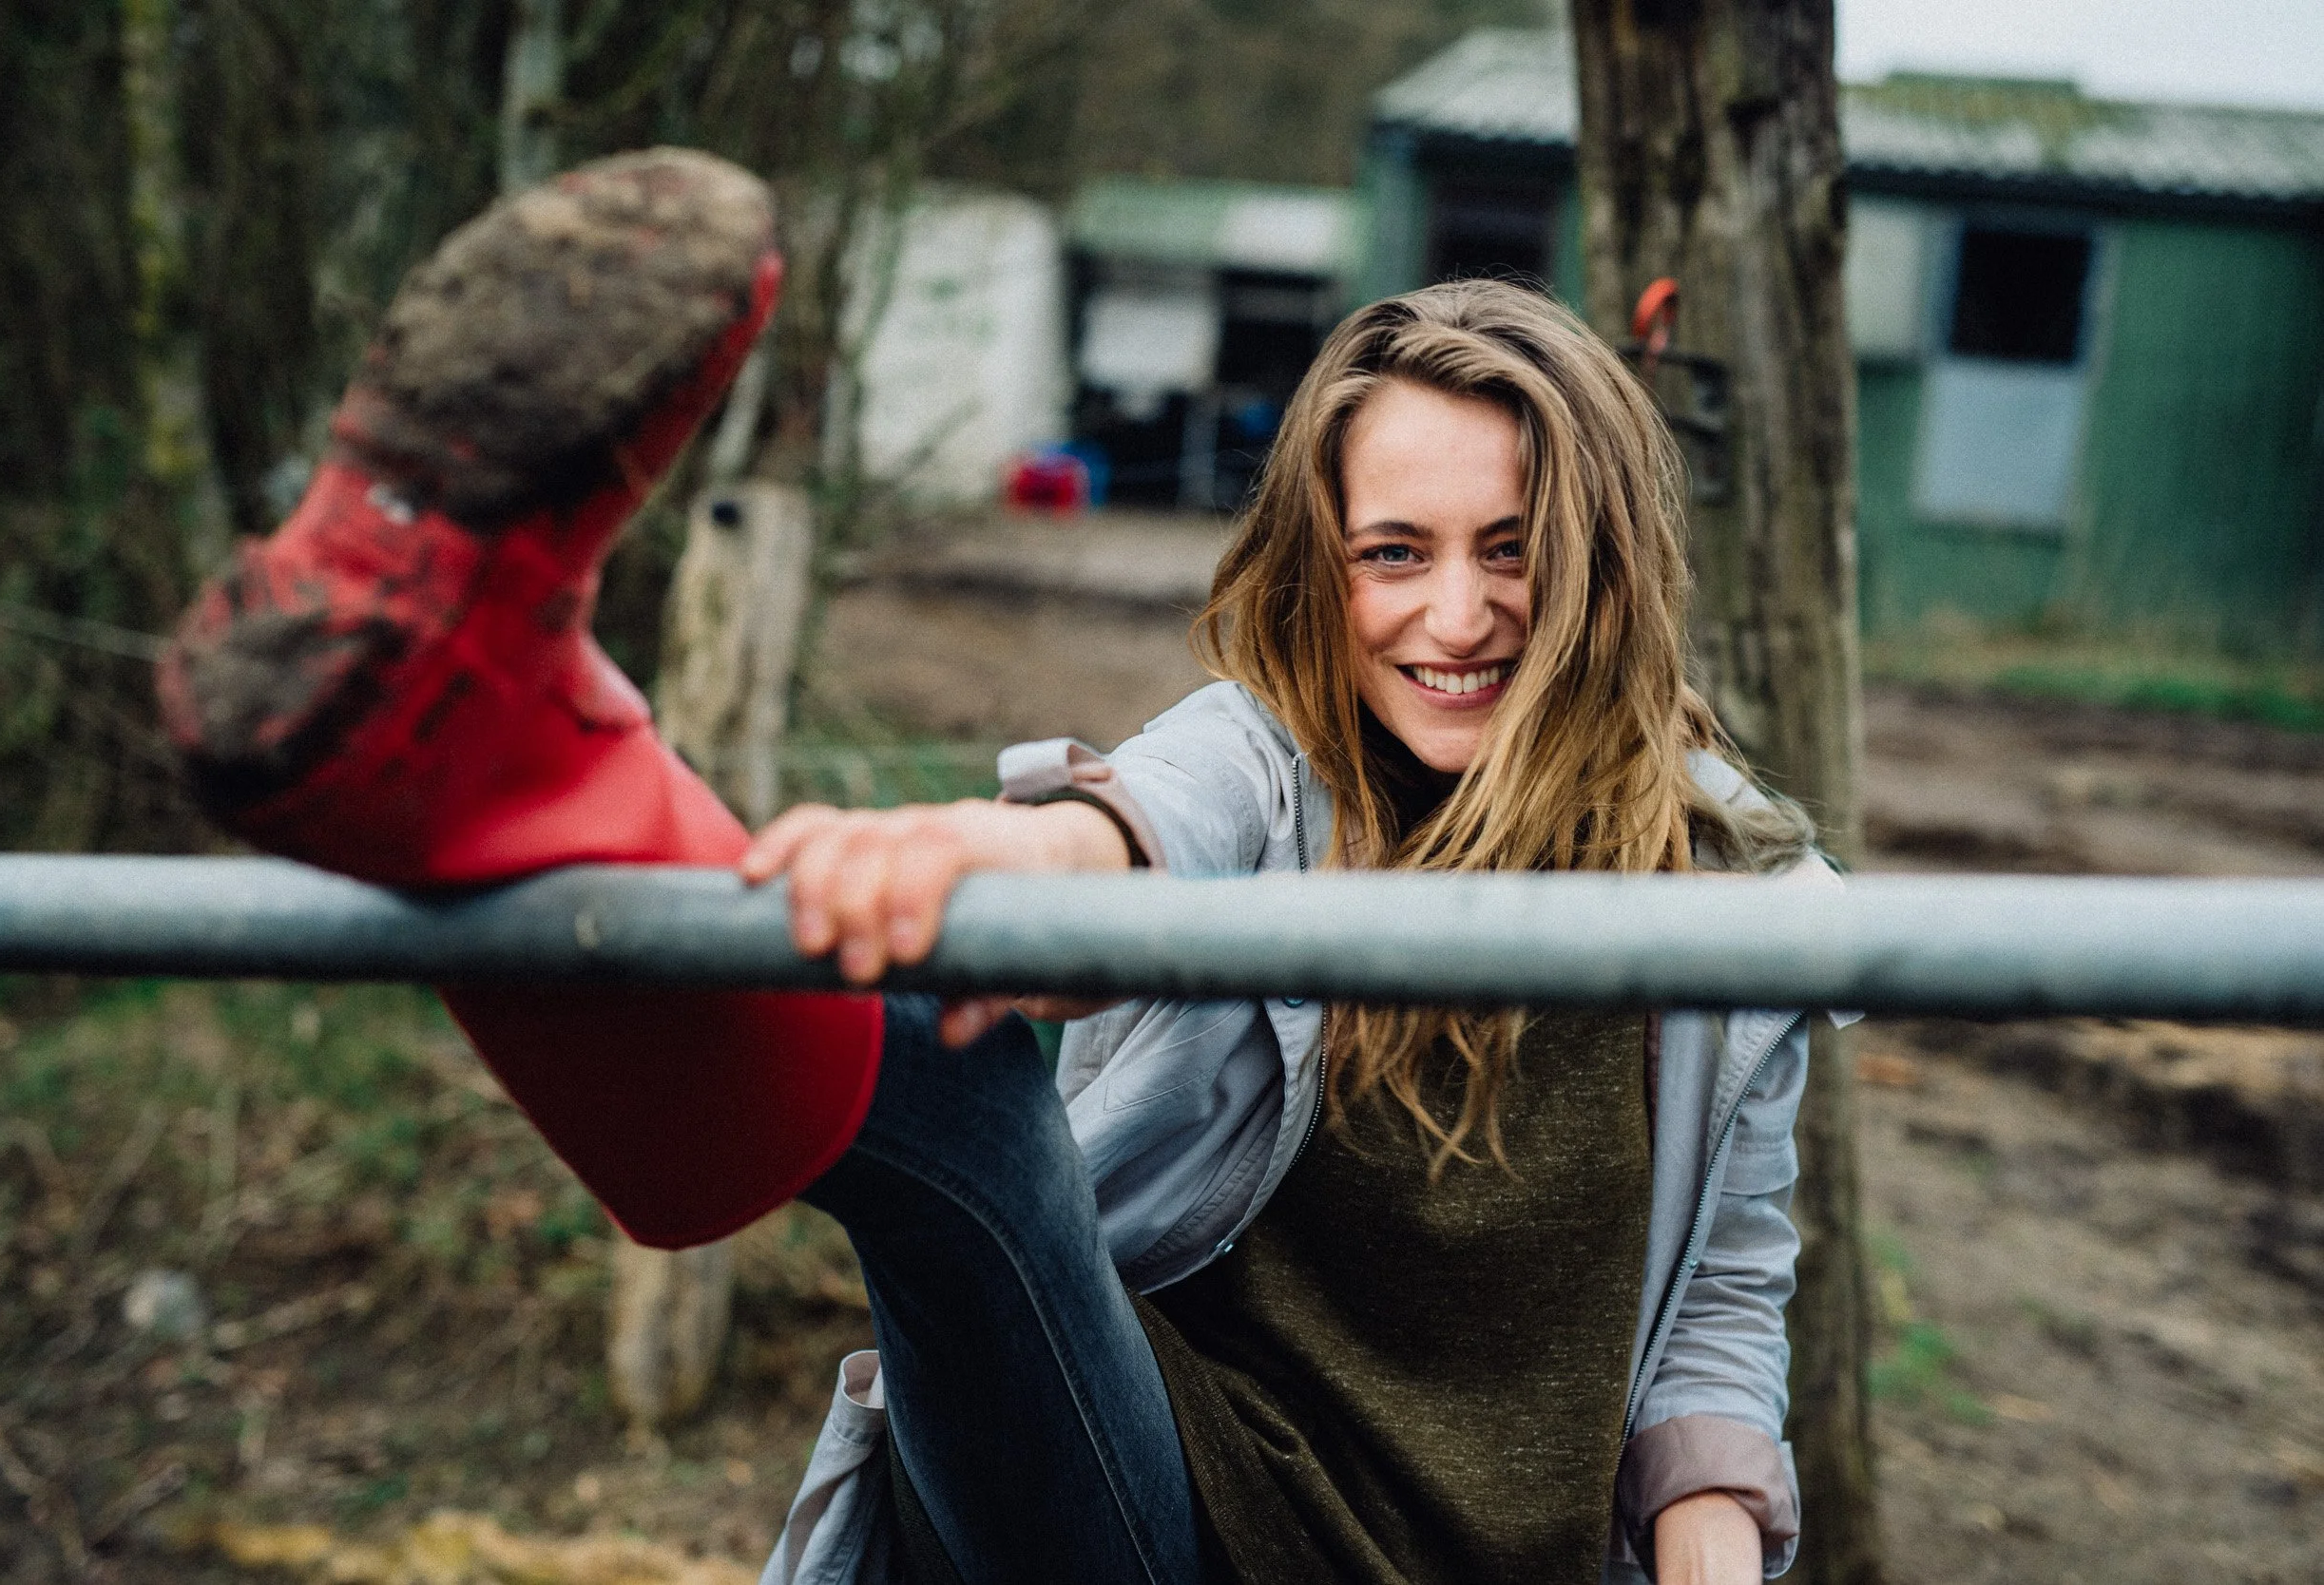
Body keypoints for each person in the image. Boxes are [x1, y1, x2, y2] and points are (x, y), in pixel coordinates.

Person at [161, 151, 1828, 1585]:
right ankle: (487, 704)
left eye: (1512, 554)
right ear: (1327, 568)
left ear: (1607, 566)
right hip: (1167, 1500)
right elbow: (1138, 835)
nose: (1453, 617)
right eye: (1395, 554)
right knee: (942, 1073)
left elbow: (1718, 1311)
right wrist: (992, 868)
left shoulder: (1734, 897)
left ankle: (476, 765)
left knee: (843, 1058)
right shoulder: (1276, 752)